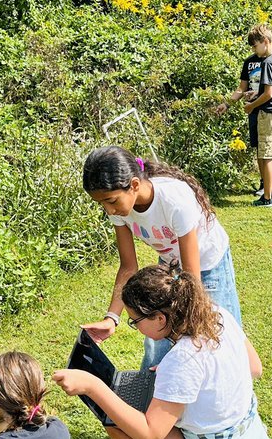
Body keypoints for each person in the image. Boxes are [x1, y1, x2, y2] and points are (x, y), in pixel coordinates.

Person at [53, 264, 272, 439]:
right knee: (134, 411)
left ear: (160, 319)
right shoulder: (217, 316)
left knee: (116, 423)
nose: (136, 327)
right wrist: (186, 385)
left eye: (135, 321)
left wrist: (94, 386)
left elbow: (151, 435)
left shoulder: (182, 361)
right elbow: (254, 367)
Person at [81, 145, 241, 370]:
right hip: (171, 266)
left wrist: (179, 356)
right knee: (157, 333)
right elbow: (128, 267)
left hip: (207, 264)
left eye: (111, 201)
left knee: (216, 338)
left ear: (134, 185)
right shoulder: (119, 210)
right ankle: (152, 392)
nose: (109, 210)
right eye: (102, 204)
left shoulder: (174, 200)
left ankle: (240, 402)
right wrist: (111, 318)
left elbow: (191, 279)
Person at [225, 24, 272, 206]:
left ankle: (267, 197)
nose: (254, 50)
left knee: (266, 156)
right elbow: (259, 89)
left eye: (255, 46)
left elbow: (268, 94)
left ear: (265, 42)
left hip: (268, 114)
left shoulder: (269, 62)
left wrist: (251, 106)